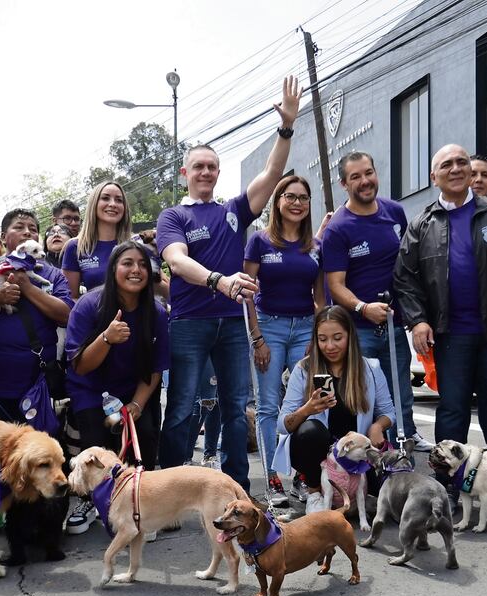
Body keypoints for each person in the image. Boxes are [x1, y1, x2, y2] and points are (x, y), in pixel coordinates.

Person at [157, 76, 300, 494]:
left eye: (212, 167)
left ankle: (237, 486)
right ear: (185, 172)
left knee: (237, 408)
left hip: (233, 327)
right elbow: (177, 262)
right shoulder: (173, 216)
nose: (205, 172)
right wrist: (218, 281)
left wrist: (286, 126)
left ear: (218, 173)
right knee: (182, 407)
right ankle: (170, 485)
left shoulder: (235, 209)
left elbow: (273, 173)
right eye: (198, 166)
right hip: (188, 323)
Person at [394, 144, 487, 450]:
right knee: (452, 412)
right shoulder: (421, 224)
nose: (455, 169)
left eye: (461, 162)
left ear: (471, 172)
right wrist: (417, 320)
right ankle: (451, 485)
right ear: (434, 177)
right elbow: (404, 276)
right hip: (450, 336)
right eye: (446, 165)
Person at [321, 151, 430, 451]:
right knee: (363, 392)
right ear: (344, 183)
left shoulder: (395, 213)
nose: (365, 181)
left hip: (394, 323)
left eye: (368, 172)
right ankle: (365, 449)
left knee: (400, 387)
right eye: (355, 176)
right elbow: (335, 285)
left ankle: (406, 436)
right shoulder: (338, 229)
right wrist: (362, 308)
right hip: (358, 328)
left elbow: (411, 265)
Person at [64, 241, 169, 534]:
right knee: (96, 447)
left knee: (145, 434)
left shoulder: (157, 313)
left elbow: (155, 368)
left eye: (142, 265)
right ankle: (90, 500)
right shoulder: (88, 305)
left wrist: (136, 405)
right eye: (127, 263)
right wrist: (107, 338)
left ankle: (141, 506)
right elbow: (81, 366)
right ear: (112, 269)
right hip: (90, 389)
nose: (136, 270)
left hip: (134, 389)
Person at [244, 175, 325, 506]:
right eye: (289, 197)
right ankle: (272, 479)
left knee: (314, 402)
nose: (296, 203)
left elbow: (321, 298)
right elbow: (247, 294)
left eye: (303, 198)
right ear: (277, 202)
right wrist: (257, 338)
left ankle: (305, 477)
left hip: (306, 330)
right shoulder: (260, 242)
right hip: (269, 329)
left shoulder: (316, 247)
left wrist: (317, 338)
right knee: (267, 406)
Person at [274, 306, 395, 514]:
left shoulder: (371, 369)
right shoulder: (303, 370)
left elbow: (389, 412)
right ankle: (314, 493)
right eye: (322, 339)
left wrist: (378, 425)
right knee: (311, 430)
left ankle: (360, 496)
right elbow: (283, 425)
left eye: (337, 338)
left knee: (392, 488)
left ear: (350, 336)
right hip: (320, 453)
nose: (329, 346)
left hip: (358, 453)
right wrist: (307, 409)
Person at [0, 208, 72, 418]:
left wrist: (27, 286)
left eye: (33, 229)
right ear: (4, 237)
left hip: (36, 380)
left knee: (34, 449)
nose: (27, 232)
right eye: (19, 227)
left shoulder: (52, 274)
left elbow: (66, 315)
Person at [62, 182, 132, 297]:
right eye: (105, 198)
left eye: (119, 200)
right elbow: (70, 299)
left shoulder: (135, 245)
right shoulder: (75, 247)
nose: (113, 204)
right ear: (93, 204)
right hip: (94, 314)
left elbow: (161, 288)